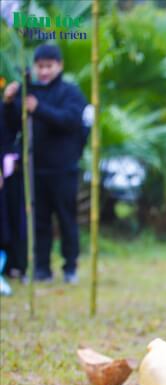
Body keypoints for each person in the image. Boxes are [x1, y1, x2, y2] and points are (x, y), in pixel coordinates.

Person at [2, 44, 89, 284]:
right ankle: (41, 268)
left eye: (49, 66)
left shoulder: (70, 93)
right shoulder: (28, 90)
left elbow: (70, 120)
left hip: (63, 170)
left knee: (66, 220)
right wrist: (9, 103)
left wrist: (39, 109)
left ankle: (70, 267)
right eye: (40, 66)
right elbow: (12, 126)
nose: (44, 71)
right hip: (34, 170)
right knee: (38, 221)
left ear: (59, 66)